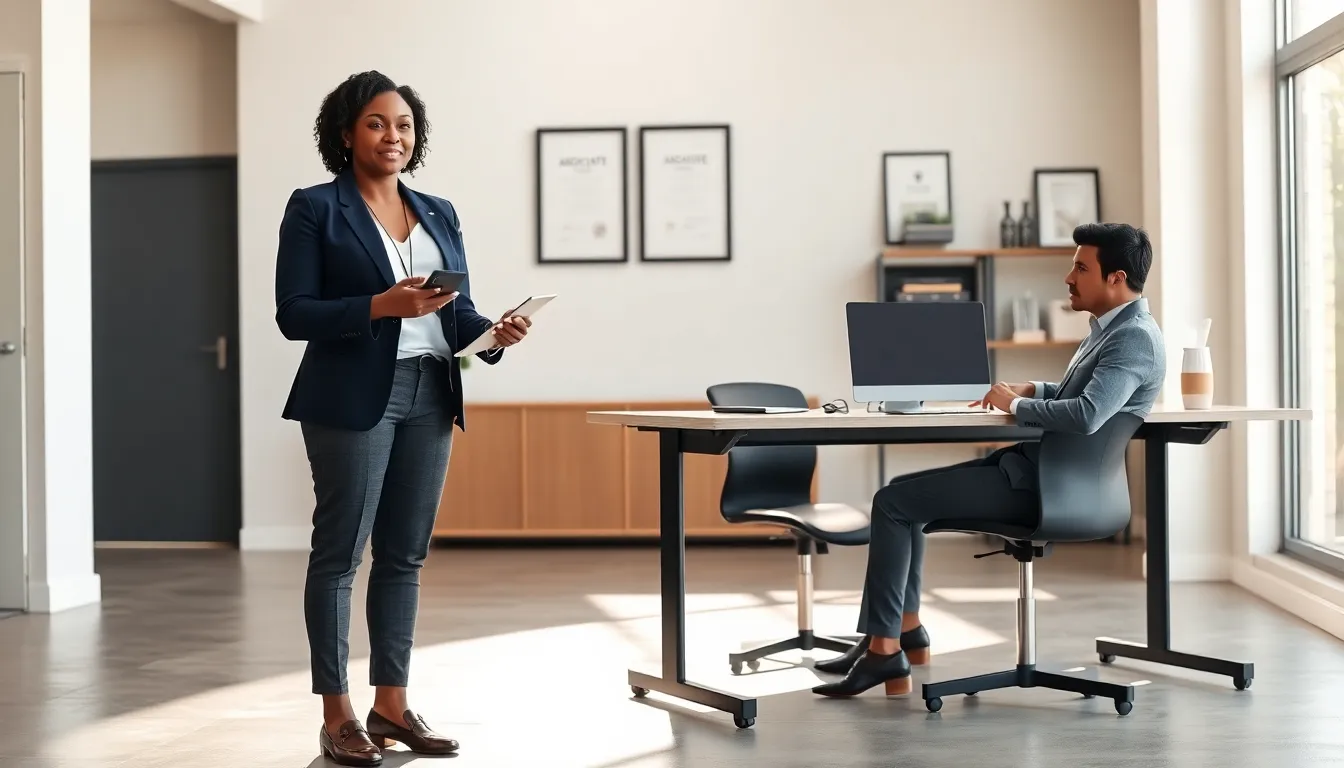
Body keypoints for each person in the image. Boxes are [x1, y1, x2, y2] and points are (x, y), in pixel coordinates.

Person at [274, 71, 531, 765]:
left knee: (405, 556)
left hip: (430, 393)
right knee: (339, 556)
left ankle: (392, 705)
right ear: (346, 134)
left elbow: (455, 311)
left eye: (405, 126)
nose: (394, 136)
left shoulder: (439, 211)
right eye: (378, 124)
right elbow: (293, 314)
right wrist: (380, 306)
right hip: (351, 397)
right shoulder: (315, 208)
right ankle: (338, 714)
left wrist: (492, 334)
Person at [811, 222, 1165, 698]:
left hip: (1048, 491)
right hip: (1035, 472)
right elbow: (1077, 393)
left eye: (1081, 267)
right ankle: (903, 630)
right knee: (903, 493)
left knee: (893, 503)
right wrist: (1032, 390)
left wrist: (1015, 407)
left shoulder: (1134, 338)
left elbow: (1086, 415)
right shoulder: (1113, 329)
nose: (1068, 277)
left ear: (1116, 278)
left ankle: (884, 654)